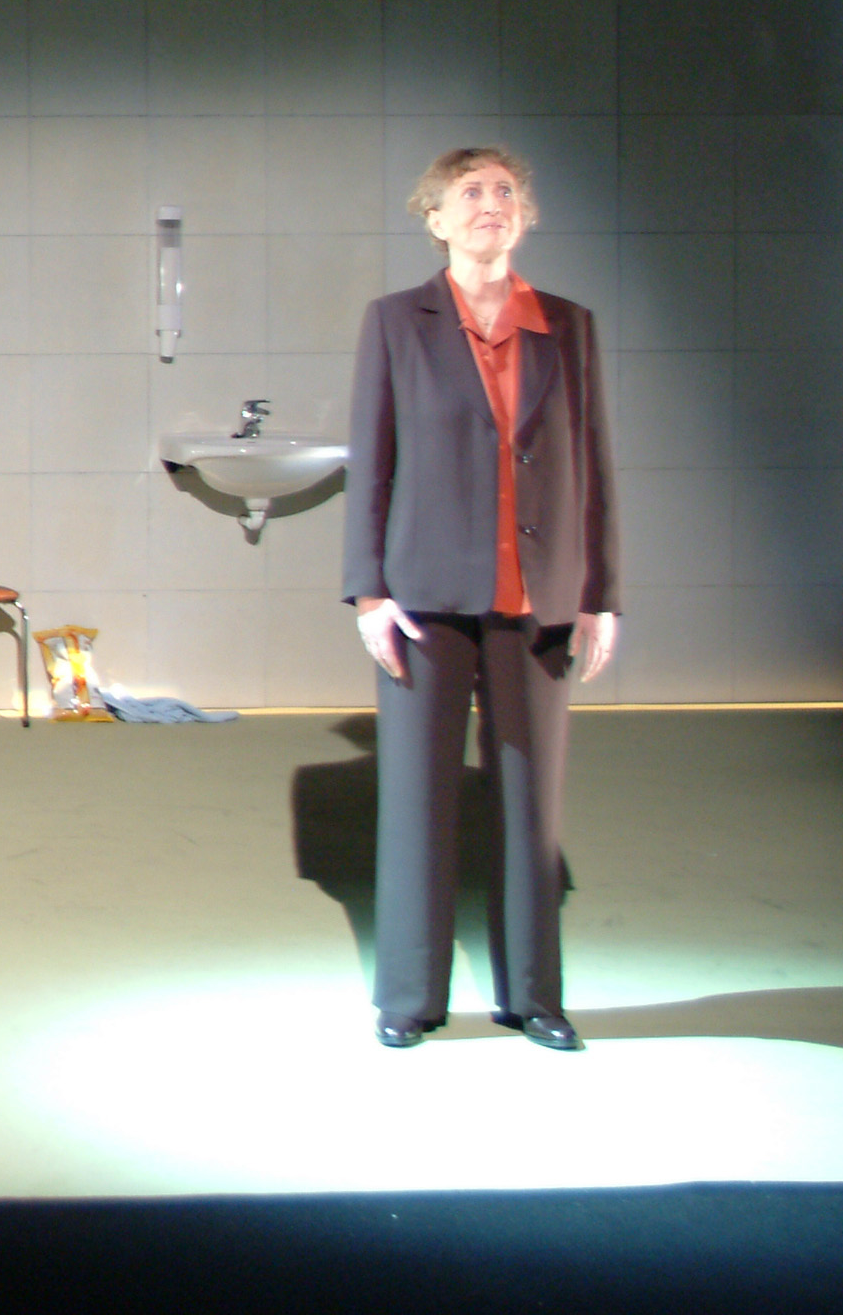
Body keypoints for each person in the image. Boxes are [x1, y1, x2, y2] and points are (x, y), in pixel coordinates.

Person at [343, 147, 619, 1053]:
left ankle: (534, 997)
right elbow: (372, 461)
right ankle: (409, 997)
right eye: (470, 192)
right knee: (417, 805)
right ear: (437, 219)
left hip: (538, 599)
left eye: (505, 191)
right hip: (424, 599)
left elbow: (593, 464)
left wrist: (600, 592)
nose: (490, 203)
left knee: (530, 807)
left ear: (525, 216)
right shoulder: (396, 321)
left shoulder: (569, 326)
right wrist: (369, 593)